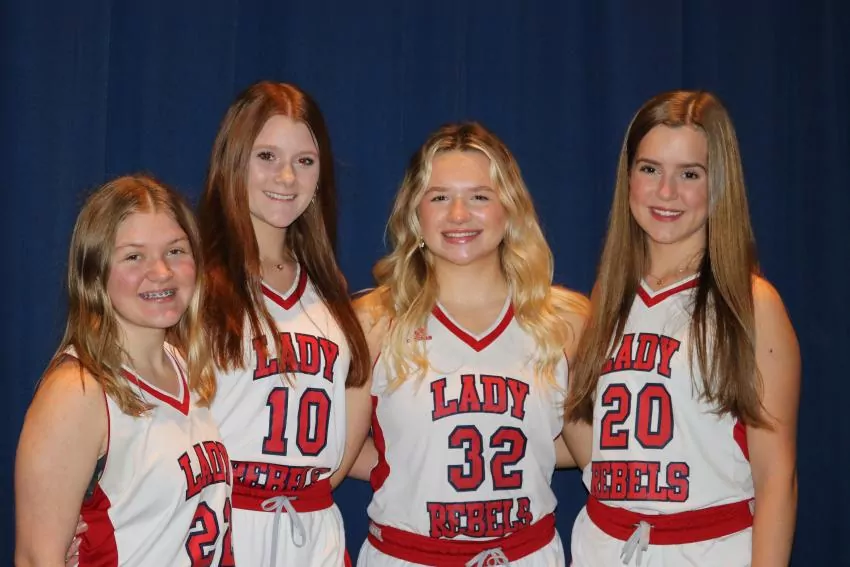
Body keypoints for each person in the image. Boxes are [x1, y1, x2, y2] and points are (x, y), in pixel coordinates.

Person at [565, 90, 800, 566]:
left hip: (709, 551)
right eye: (650, 169)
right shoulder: (607, 297)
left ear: (719, 184)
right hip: (605, 546)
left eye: (689, 174)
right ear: (628, 177)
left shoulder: (751, 304)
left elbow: (777, 478)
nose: (666, 192)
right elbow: (598, 448)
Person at [352, 122, 589, 566]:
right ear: (415, 213)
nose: (458, 215)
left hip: (525, 555)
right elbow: (334, 453)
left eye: (480, 196)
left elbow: (593, 450)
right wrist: (410, 462)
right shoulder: (374, 321)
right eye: (439, 197)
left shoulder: (566, 321)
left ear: (510, 209)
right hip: (408, 556)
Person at [15, 175, 233, 566]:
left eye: (175, 251)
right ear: (95, 272)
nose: (161, 271)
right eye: (134, 257)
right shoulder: (78, 391)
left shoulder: (185, 368)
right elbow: (36, 557)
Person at [198, 81, 372, 567]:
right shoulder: (190, 280)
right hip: (219, 522)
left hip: (311, 529)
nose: (287, 176)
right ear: (233, 160)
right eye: (267, 156)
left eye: (305, 161)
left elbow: (344, 426)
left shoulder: (329, 287)